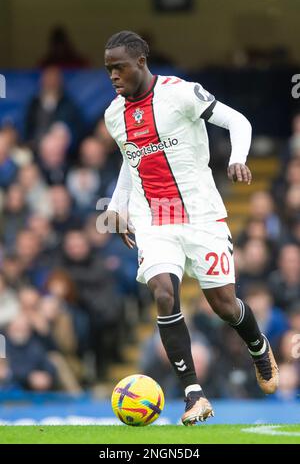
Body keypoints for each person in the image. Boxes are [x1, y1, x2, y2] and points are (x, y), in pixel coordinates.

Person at [103, 31, 279, 426]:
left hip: (201, 214)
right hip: (153, 218)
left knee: (222, 304)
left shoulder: (180, 93)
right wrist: (117, 206)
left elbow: (238, 120)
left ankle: (257, 345)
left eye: (120, 67)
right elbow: (130, 163)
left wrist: (238, 158)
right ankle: (193, 394)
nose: (113, 76)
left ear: (141, 62)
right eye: (108, 69)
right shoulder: (114, 115)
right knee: (164, 294)